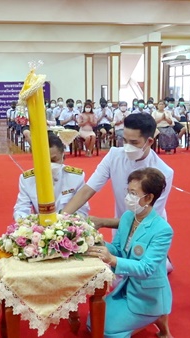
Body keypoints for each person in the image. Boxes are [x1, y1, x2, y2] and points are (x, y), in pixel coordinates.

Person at [62, 113, 174, 273]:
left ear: (149, 141)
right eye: (125, 140)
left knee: (143, 271)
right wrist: (61, 217)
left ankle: (163, 258)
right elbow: (88, 189)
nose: (127, 146)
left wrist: (103, 222)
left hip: (148, 229)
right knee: (118, 271)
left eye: (134, 142)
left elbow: (146, 218)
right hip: (121, 225)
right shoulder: (114, 155)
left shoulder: (163, 172)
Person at [86, 168, 173, 338]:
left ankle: (155, 316)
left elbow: (146, 268)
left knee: (105, 331)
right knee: (92, 321)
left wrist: (112, 260)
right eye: (128, 191)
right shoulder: (127, 217)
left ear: (148, 198)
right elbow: (118, 250)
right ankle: (153, 323)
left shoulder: (162, 230)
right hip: (126, 288)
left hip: (147, 296)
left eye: (133, 193)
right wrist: (99, 243)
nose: (128, 197)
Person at [14, 133, 89, 219]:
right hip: (39, 227)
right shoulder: (27, 179)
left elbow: (82, 211)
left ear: (63, 156)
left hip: (67, 226)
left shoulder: (76, 177)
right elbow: (21, 208)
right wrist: (26, 223)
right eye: (43, 161)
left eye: (53, 160)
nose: (48, 165)